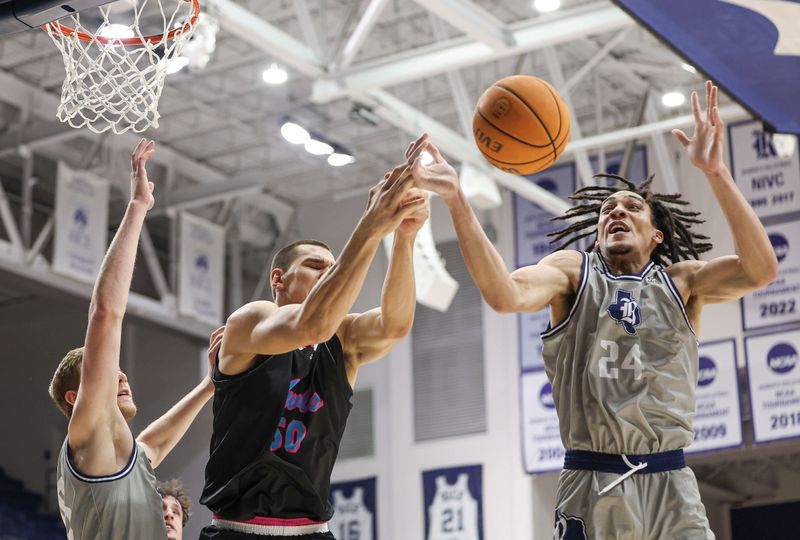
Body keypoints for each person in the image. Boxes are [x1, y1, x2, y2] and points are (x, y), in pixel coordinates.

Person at [405, 81, 778, 539]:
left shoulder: (683, 282)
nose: (616, 212)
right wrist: (457, 200)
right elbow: (505, 295)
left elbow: (760, 271)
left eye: (632, 207)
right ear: (598, 231)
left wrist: (716, 172)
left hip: (672, 482)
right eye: (607, 210)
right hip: (594, 480)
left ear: (656, 235)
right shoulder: (572, 274)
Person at [199, 166, 429, 539]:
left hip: (313, 530)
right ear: (279, 279)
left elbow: (396, 325)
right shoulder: (251, 320)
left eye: (332, 269)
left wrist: (404, 237)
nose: (326, 274)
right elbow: (313, 325)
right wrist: (370, 225)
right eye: (314, 266)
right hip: (238, 529)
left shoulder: (344, 338)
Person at [48, 139, 225, 539]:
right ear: (77, 398)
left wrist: (208, 385)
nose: (123, 378)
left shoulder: (115, 455)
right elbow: (106, 315)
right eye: (112, 373)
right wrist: (137, 208)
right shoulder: (89, 432)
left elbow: (153, 443)